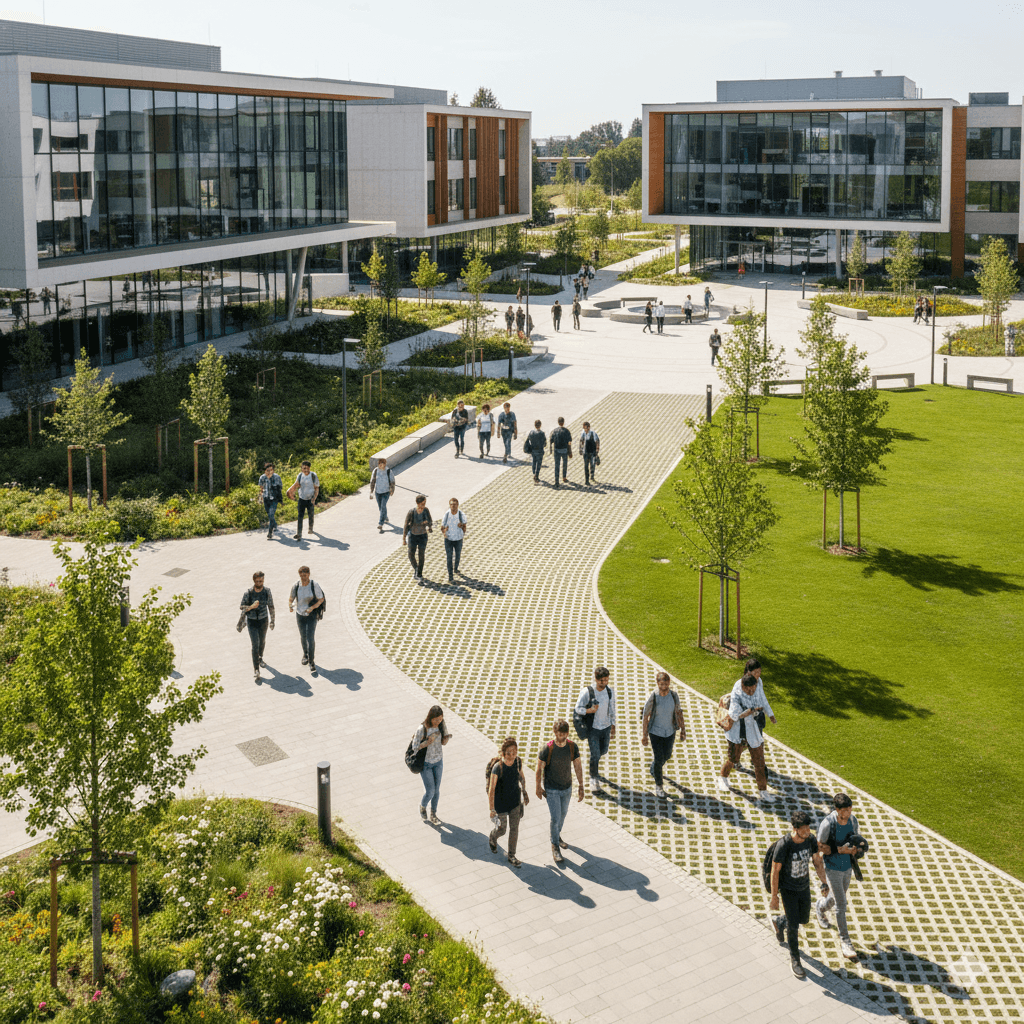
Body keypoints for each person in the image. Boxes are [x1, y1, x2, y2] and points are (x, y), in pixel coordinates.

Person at [770, 809, 831, 979]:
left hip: (803, 886)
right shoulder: (784, 845)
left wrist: (824, 882)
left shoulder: (810, 840)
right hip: (788, 890)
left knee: (803, 918)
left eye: (808, 828)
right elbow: (775, 871)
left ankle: (779, 921)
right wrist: (774, 897)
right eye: (803, 829)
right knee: (794, 926)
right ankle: (795, 959)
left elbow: (817, 861)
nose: (807, 831)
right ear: (795, 828)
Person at [815, 792, 862, 961]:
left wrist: (857, 849)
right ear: (836, 809)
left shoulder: (853, 820)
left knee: (835, 900)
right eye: (844, 812)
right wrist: (839, 850)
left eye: (849, 810)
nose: (847, 814)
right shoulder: (828, 824)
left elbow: (855, 840)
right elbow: (820, 846)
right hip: (832, 868)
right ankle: (845, 941)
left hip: (847, 867)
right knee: (841, 904)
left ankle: (820, 907)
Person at [715, 673, 776, 802]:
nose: (752, 692)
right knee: (733, 759)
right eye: (749, 690)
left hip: (752, 732)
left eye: (754, 689)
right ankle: (723, 777)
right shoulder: (736, 697)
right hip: (737, 734)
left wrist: (767, 713)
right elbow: (735, 716)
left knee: (759, 763)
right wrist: (750, 711)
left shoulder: (755, 693)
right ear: (743, 686)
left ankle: (763, 791)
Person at [535, 720, 584, 865]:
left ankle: (556, 835)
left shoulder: (572, 747)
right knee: (555, 818)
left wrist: (581, 785)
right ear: (554, 732)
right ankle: (555, 846)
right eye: (558, 734)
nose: (561, 737)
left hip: (567, 788)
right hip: (552, 789)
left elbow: (577, 766)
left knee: (562, 815)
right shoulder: (547, 748)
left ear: (567, 733)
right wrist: (538, 787)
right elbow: (539, 769)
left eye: (563, 734)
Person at [641, 671, 686, 798]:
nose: (664, 687)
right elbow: (645, 715)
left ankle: (654, 768)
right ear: (657, 683)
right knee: (659, 758)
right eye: (661, 684)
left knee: (667, 755)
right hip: (655, 732)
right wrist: (644, 735)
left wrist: (683, 730)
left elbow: (679, 712)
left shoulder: (674, 695)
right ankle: (659, 786)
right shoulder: (654, 696)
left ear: (669, 683)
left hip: (670, 731)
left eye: (666, 684)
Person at [488, 737, 529, 868]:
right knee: (502, 829)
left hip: (515, 802)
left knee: (514, 829)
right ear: (503, 753)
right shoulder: (497, 768)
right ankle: (493, 836)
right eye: (509, 753)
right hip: (500, 804)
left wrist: (524, 792)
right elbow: (491, 789)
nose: (511, 755)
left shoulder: (518, 762)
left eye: (514, 752)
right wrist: (492, 809)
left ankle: (512, 855)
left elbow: (522, 777)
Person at [574, 666, 616, 792]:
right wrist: (590, 711)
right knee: (595, 754)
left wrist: (613, 725)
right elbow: (578, 709)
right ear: (596, 679)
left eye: (606, 680)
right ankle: (593, 777)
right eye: (602, 680)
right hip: (593, 729)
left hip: (606, 727)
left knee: (603, 751)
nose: (604, 683)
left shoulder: (610, 691)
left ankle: (594, 764)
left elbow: (612, 708)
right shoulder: (587, 692)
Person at [413, 705, 450, 824]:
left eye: (440, 719)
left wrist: (446, 739)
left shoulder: (441, 725)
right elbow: (414, 747)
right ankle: (423, 806)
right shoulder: (422, 729)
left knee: (437, 790)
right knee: (430, 791)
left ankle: (433, 814)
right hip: (426, 764)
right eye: (436, 719)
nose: (438, 722)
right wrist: (426, 743)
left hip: (438, 761)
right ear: (430, 717)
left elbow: (443, 742)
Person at [288, 565, 324, 674]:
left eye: (305, 575)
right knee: (303, 636)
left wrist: (312, 608)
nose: (303, 577)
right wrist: (290, 605)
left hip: (311, 615)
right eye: (301, 575)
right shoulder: (296, 585)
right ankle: (305, 655)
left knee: (310, 637)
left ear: (309, 574)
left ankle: (311, 661)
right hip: (300, 614)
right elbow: (291, 598)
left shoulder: (314, 585)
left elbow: (321, 599)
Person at [240, 571, 275, 683]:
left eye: (261, 580)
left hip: (264, 620)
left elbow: (271, 606)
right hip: (252, 621)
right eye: (258, 581)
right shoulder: (248, 593)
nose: (260, 583)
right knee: (255, 644)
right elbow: (242, 606)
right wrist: (251, 607)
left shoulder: (267, 591)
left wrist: (272, 621)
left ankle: (260, 657)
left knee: (262, 641)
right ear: (254, 581)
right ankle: (256, 669)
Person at [403, 494, 433, 581]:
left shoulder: (426, 511)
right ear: (418, 503)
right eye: (422, 503)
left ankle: (419, 573)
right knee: (410, 554)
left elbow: (430, 521)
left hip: (423, 536)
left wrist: (427, 524)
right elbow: (406, 525)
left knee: (421, 554)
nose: (424, 505)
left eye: (425, 503)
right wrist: (404, 538)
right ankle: (416, 568)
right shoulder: (411, 512)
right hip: (413, 536)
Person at [287, 461, 319, 541]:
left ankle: (310, 528)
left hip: (310, 499)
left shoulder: (313, 475)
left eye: (307, 468)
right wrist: (290, 492)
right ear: (301, 468)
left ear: (309, 468)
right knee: (300, 516)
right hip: (301, 499)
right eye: (304, 468)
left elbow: (316, 488)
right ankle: (299, 534)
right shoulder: (300, 475)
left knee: (310, 515)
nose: (306, 470)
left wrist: (314, 498)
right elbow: (296, 485)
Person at [441, 497, 467, 583]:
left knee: (458, 555)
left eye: (455, 505)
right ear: (449, 505)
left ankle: (455, 568)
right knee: (449, 557)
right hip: (448, 539)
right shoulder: (447, 514)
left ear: (458, 505)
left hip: (458, 539)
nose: (453, 506)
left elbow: (465, 527)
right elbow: (442, 527)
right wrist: (444, 532)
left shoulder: (461, 514)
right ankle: (450, 576)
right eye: (451, 505)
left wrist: (461, 526)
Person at [258, 462, 284, 540]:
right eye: (268, 470)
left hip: (274, 499)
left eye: (271, 470)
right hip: (266, 498)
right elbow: (261, 489)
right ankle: (275, 524)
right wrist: (260, 498)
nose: (270, 472)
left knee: (271, 514)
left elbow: (280, 489)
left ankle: (270, 532)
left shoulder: (277, 477)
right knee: (269, 515)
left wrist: (280, 499)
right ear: (265, 471)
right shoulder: (262, 478)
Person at [369, 457, 395, 533]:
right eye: (379, 463)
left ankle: (380, 523)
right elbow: (373, 481)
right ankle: (385, 517)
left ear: (385, 464)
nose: (380, 465)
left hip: (386, 492)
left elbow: (392, 481)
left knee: (383, 506)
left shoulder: (388, 471)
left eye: (382, 463)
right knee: (381, 507)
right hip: (378, 492)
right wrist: (371, 491)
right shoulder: (376, 470)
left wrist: (392, 490)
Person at [549, 416, 572, 488]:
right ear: (563, 422)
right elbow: (569, 442)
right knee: (564, 464)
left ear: (558, 422)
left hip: (557, 450)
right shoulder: (567, 431)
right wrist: (570, 452)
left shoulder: (554, 431)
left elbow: (551, 440)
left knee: (557, 465)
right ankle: (564, 477)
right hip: (564, 450)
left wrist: (551, 449)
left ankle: (556, 480)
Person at [578, 421, 600, 486]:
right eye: (584, 428)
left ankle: (592, 475)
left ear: (589, 427)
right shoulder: (583, 433)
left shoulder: (593, 433)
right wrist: (580, 448)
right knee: (586, 466)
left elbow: (597, 441)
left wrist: (597, 450)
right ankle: (586, 480)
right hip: (586, 452)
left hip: (592, 451)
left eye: (586, 428)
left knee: (592, 464)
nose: (585, 430)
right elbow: (581, 440)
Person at [525, 419, 546, 483]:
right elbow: (544, 443)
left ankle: (534, 473)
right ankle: (536, 475)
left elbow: (529, 440)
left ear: (535, 425)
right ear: (540, 425)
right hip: (540, 450)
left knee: (534, 462)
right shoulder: (542, 433)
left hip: (533, 450)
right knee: (539, 463)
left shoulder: (531, 432)